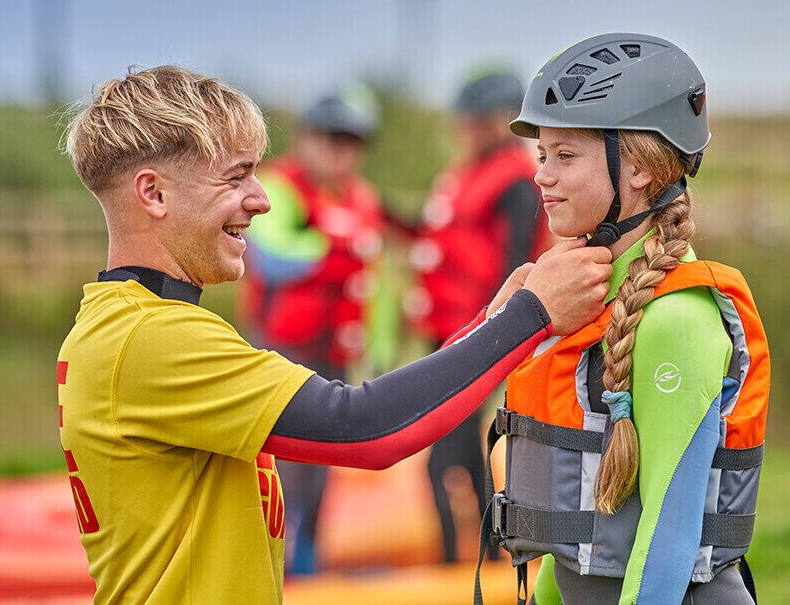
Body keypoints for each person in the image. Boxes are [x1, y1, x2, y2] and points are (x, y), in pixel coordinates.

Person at [55, 65, 613, 604]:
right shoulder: (155, 339)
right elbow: (365, 427)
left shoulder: (130, 324)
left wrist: (494, 317)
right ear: (153, 194)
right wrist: (530, 317)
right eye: (235, 177)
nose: (262, 199)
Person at [474, 34, 771, 604]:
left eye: (565, 156)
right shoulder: (588, 303)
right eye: (542, 156)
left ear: (638, 169)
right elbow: (574, 551)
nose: (541, 175)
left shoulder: (677, 320)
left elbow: (668, 544)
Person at [240, 82, 383, 574]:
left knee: (325, 461)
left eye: (352, 141)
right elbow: (272, 257)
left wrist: (376, 346)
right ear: (307, 138)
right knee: (278, 462)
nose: (341, 151)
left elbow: (371, 282)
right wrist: (334, 241)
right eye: (331, 138)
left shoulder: (362, 199)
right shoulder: (276, 189)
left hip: (335, 351)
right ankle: (267, 560)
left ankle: (308, 559)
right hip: (281, 349)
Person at [407, 70, 547, 564]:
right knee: (467, 458)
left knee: (439, 464)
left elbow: (515, 265)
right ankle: (488, 560)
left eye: (475, 120)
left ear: (500, 121)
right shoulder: (467, 173)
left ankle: (452, 566)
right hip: (448, 333)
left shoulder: (516, 184)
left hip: (477, 338)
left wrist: (490, 337)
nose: (465, 129)